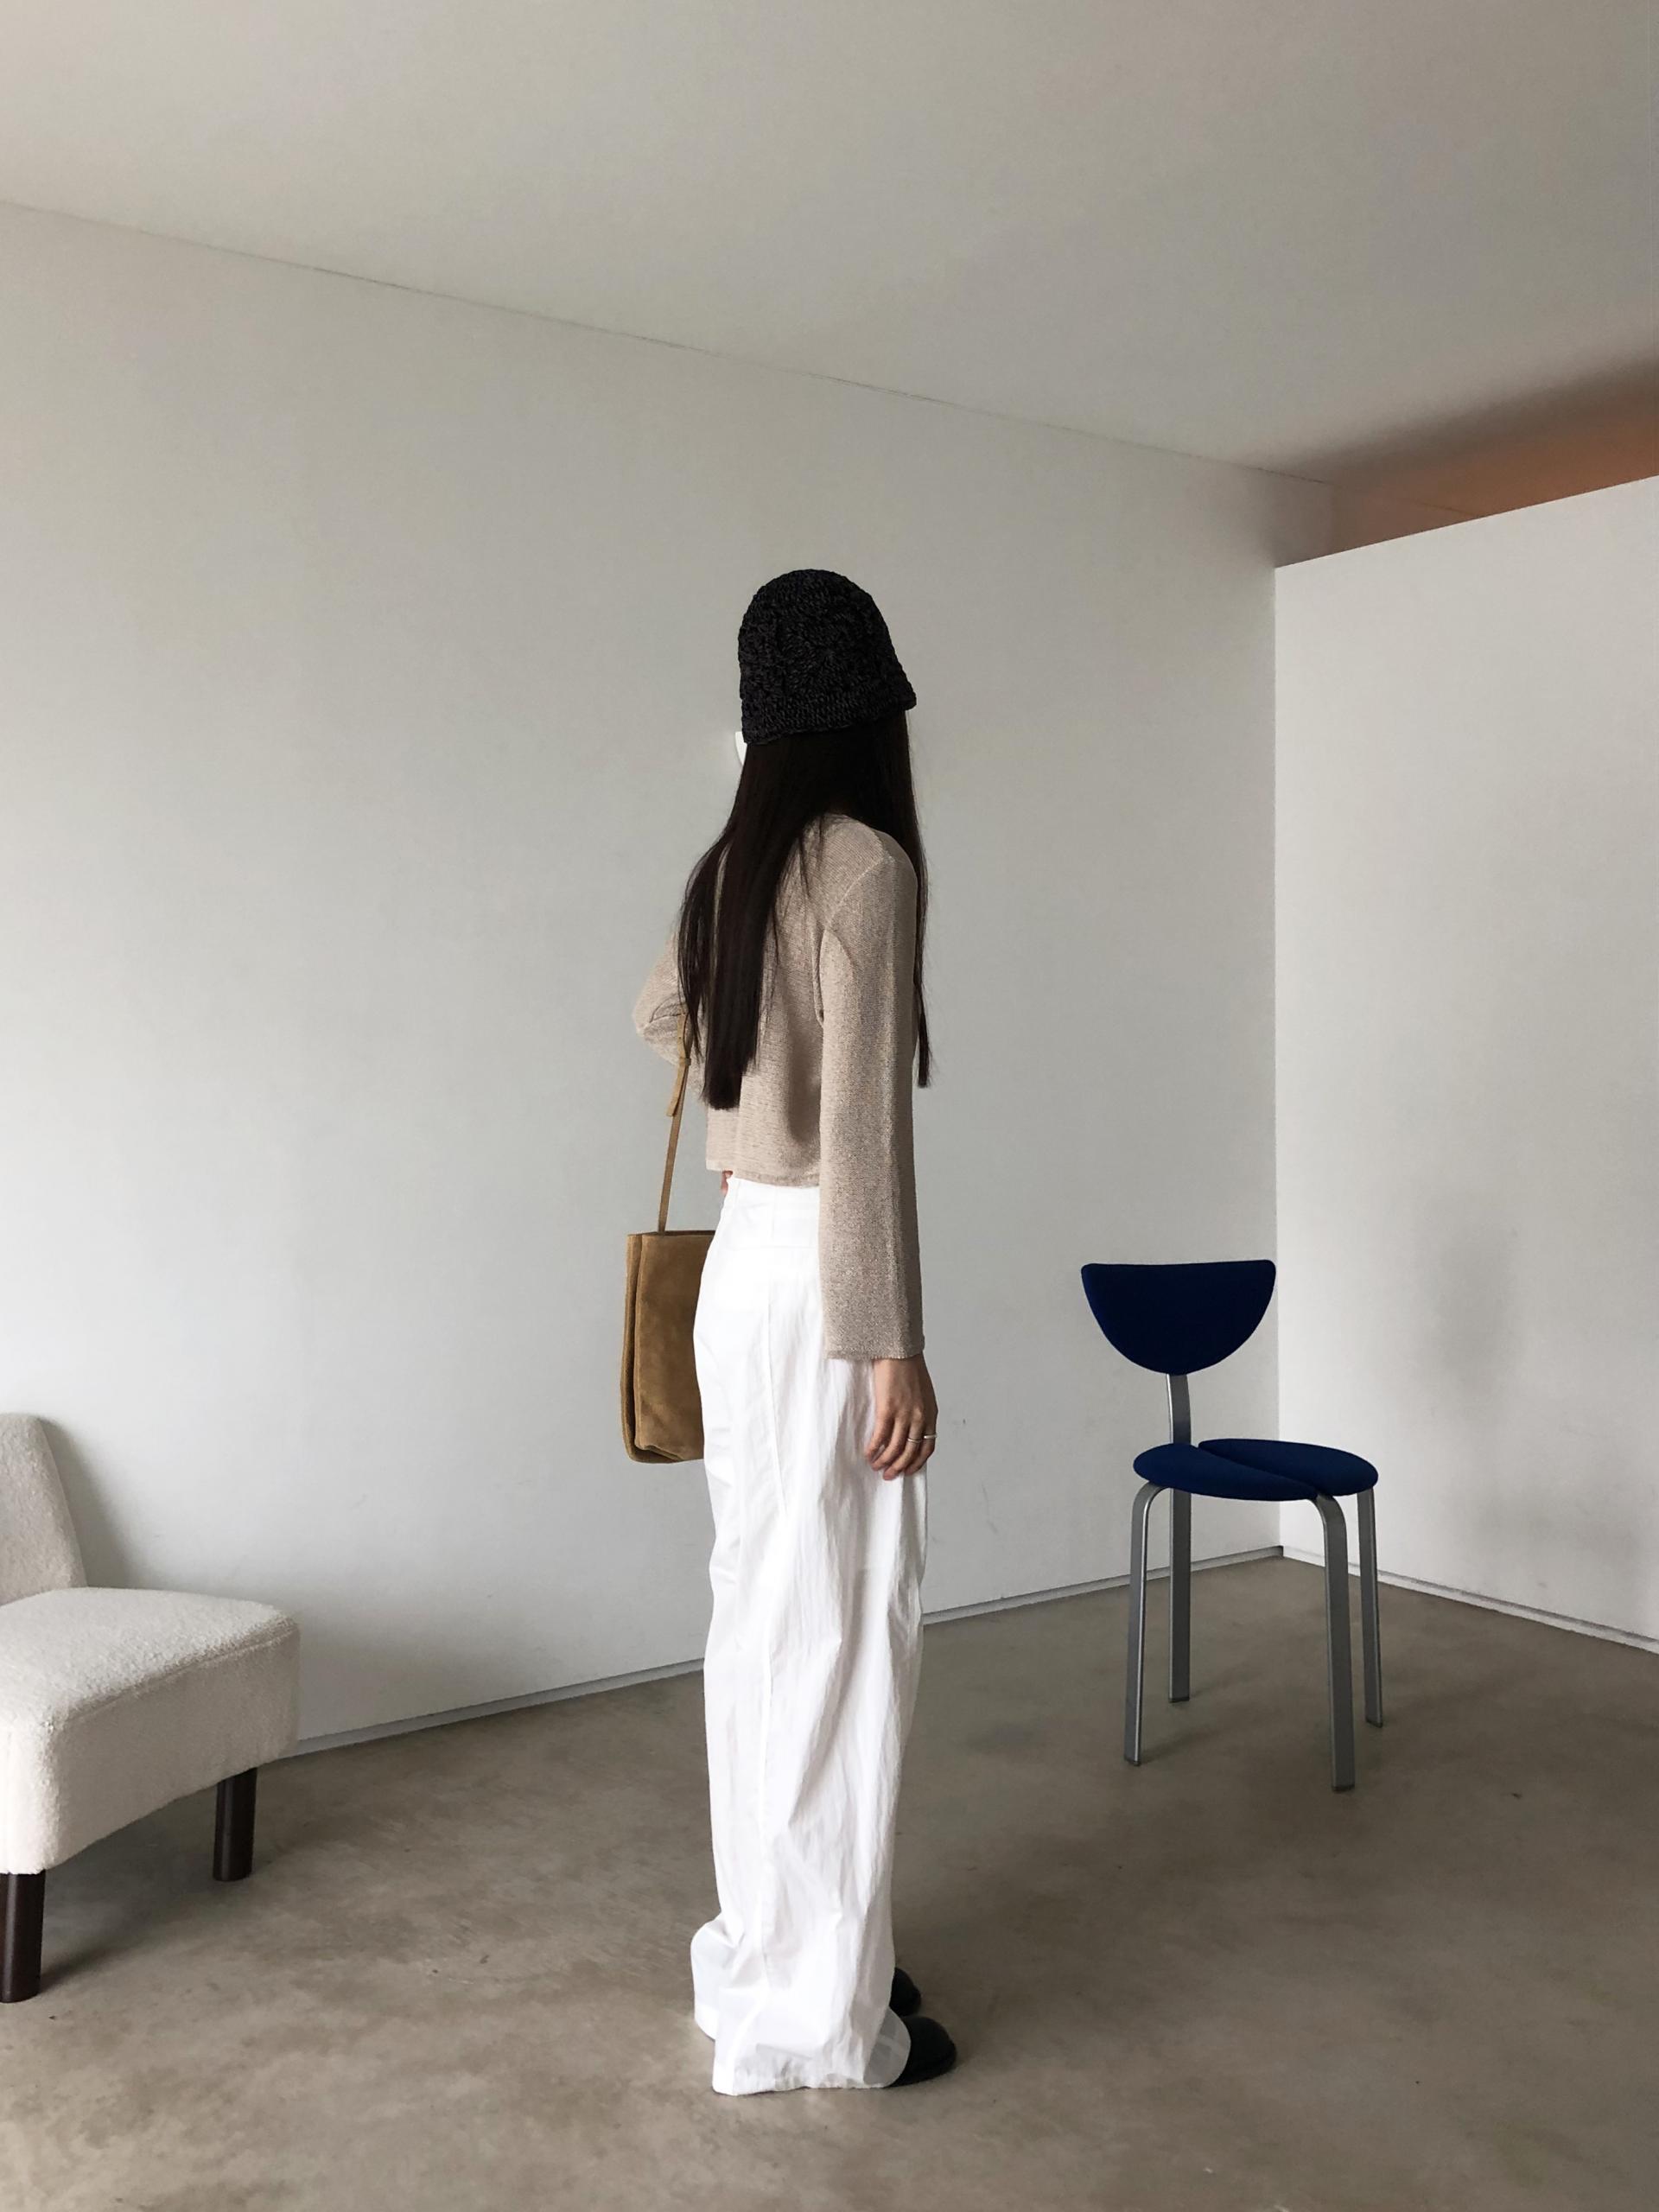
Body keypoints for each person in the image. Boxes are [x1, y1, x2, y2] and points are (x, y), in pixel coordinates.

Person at [633, 569, 955, 2094]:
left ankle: (773, 1950)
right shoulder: (867, 869)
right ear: (871, 711)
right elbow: (869, 1136)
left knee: (761, 1620)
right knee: (844, 1629)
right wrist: (893, 1342)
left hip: (739, 1277)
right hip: (828, 1276)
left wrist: (744, 1106)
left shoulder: (731, 866)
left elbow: (660, 1017)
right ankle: (824, 2014)